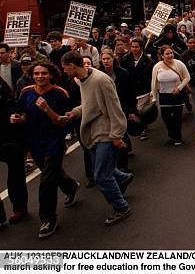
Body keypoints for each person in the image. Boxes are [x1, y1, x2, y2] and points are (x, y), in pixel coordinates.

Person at [62, 52, 134, 227]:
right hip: (92, 133)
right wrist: (76, 112)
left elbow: (115, 108)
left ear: (73, 65)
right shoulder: (82, 81)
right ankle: (123, 178)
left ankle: (121, 207)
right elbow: (89, 103)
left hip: (105, 133)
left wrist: (116, 136)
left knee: (101, 176)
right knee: (102, 168)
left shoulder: (101, 80)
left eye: (65, 67)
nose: (63, 71)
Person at [14, 62, 79, 238]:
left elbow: (64, 121)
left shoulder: (59, 93)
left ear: (51, 75)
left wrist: (47, 109)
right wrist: (17, 119)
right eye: (36, 74)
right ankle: (70, 186)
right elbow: (23, 114)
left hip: (54, 141)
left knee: (47, 181)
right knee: (52, 173)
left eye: (44, 73)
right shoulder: (26, 92)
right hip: (34, 141)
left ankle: (48, 219)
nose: (40, 76)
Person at [100, 49, 136, 173]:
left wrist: (132, 110)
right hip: (106, 111)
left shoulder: (122, 73)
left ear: (113, 59)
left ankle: (123, 165)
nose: (106, 61)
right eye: (103, 59)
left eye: (108, 59)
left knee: (121, 135)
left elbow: (130, 93)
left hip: (122, 109)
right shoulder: (99, 75)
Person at [0, 77, 28, 228]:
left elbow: (20, 114)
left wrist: (18, 118)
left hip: (11, 141)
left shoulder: (8, 97)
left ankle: (20, 208)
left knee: (15, 178)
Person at [151, 45, 191, 145]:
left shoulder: (179, 64)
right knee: (166, 117)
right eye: (167, 54)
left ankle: (177, 137)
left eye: (171, 53)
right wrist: (154, 97)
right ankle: (172, 133)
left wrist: (179, 88)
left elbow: (187, 77)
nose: (170, 55)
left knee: (177, 117)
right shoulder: (157, 66)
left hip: (177, 95)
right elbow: (154, 82)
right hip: (164, 96)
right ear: (162, 55)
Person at [122, 39, 154, 140]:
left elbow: (149, 77)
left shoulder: (147, 60)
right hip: (131, 89)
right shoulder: (126, 58)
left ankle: (143, 129)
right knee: (134, 109)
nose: (134, 49)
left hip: (143, 89)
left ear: (141, 48)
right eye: (132, 47)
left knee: (141, 110)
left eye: (136, 47)